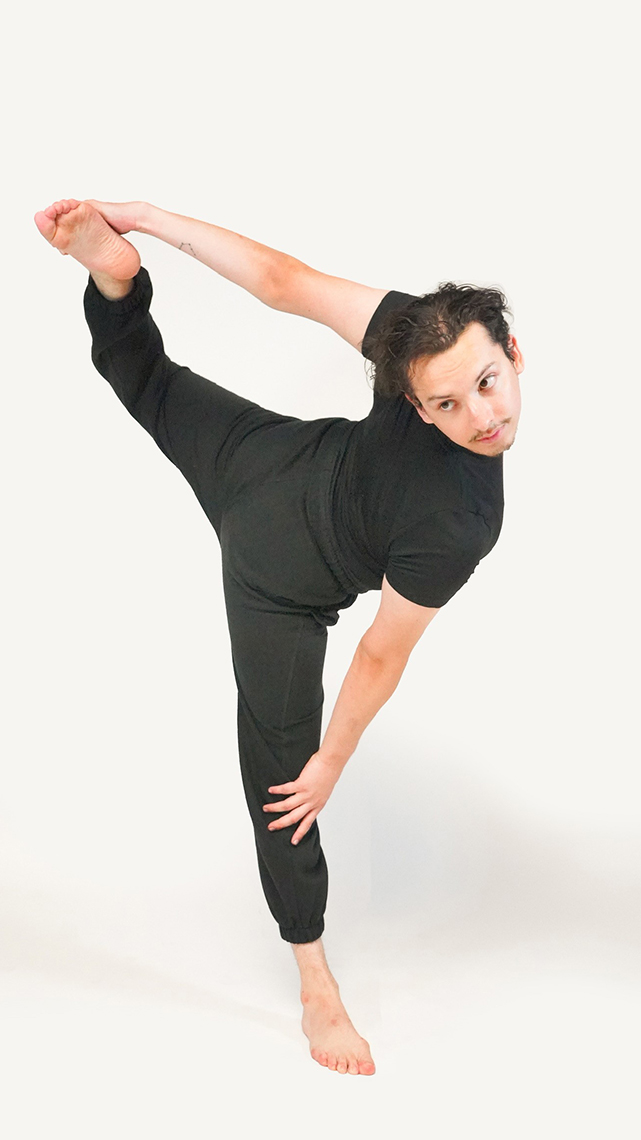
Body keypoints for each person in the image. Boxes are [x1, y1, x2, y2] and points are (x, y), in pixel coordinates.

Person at [34, 198, 525, 1076]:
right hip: (276, 573)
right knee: (285, 786)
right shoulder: (461, 502)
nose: (479, 417)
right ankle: (314, 985)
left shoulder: (422, 365)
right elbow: (380, 652)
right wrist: (327, 761)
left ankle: (115, 288)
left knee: (147, 380)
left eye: (486, 385)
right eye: (445, 402)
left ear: (512, 353)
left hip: (265, 466)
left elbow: (282, 283)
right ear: (413, 401)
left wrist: (151, 221)